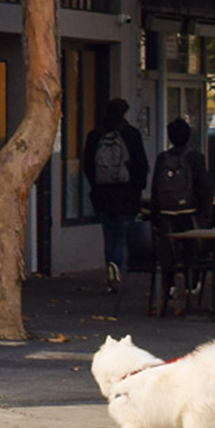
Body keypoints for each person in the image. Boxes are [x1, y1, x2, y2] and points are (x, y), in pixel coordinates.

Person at [148, 116, 215, 312]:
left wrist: (155, 214)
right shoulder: (195, 158)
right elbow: (204, 186)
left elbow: (155, 188)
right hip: (190, 213)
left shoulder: (162, 158)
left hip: (166, 214)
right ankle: (191, 284)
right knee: (193, 250)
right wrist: (205, 212)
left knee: (168, 251)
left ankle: (168, 285)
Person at [81, 98, 148, 288]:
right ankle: (119, 268)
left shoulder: (94, 135)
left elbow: (88, 165)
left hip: (103, 195)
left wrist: (96, 186)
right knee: (123, 233)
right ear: (124, 113)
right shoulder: (131, 134)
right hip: (126, 195)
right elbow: (141, 165)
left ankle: (111, 268)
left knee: (109, 233)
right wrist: (138, 188)